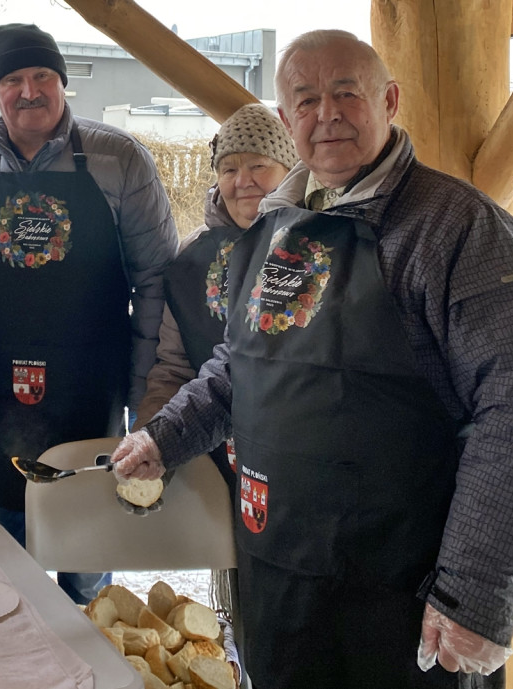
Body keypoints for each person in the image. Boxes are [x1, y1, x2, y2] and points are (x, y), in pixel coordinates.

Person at [112, 29, 513, 689]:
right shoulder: (271, 228)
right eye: (307, 99)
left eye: (347, 92)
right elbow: (241, 366)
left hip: (404, 598)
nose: (329, 113)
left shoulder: (453, 225)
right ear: (288, 120)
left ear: (390, 100)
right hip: (281, 582)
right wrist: (164, 436)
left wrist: (477, 587)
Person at [0, 23, 178, 604]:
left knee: (89, 575)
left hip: (90, 395)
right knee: (7, 573)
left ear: (63, 83)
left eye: (42, 76)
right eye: (13, 79)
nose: (29, 91)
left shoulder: (118, 159)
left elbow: (157, 281)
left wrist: (145, 392)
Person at [131, 103, 296, 624]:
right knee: (242, 608)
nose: (243, 182)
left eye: (259, 166)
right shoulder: (189, 262)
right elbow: (172, 367)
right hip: (223, 462)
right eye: (229, 168)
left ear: (289, 169)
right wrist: (154, 436)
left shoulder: (317, 246)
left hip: (304, 470)